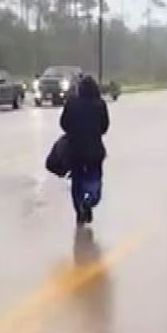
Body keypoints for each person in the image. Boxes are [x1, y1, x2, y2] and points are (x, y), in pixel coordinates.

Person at [60, 75, 109, 225]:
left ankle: (79, 209)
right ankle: (90, 202)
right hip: (95, 151)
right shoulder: (100, 104)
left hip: (75, 150)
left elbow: (63, 123)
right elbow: (105, 126)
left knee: (77, 181)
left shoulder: (72, 103)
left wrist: (75, 131)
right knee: (95, 179)